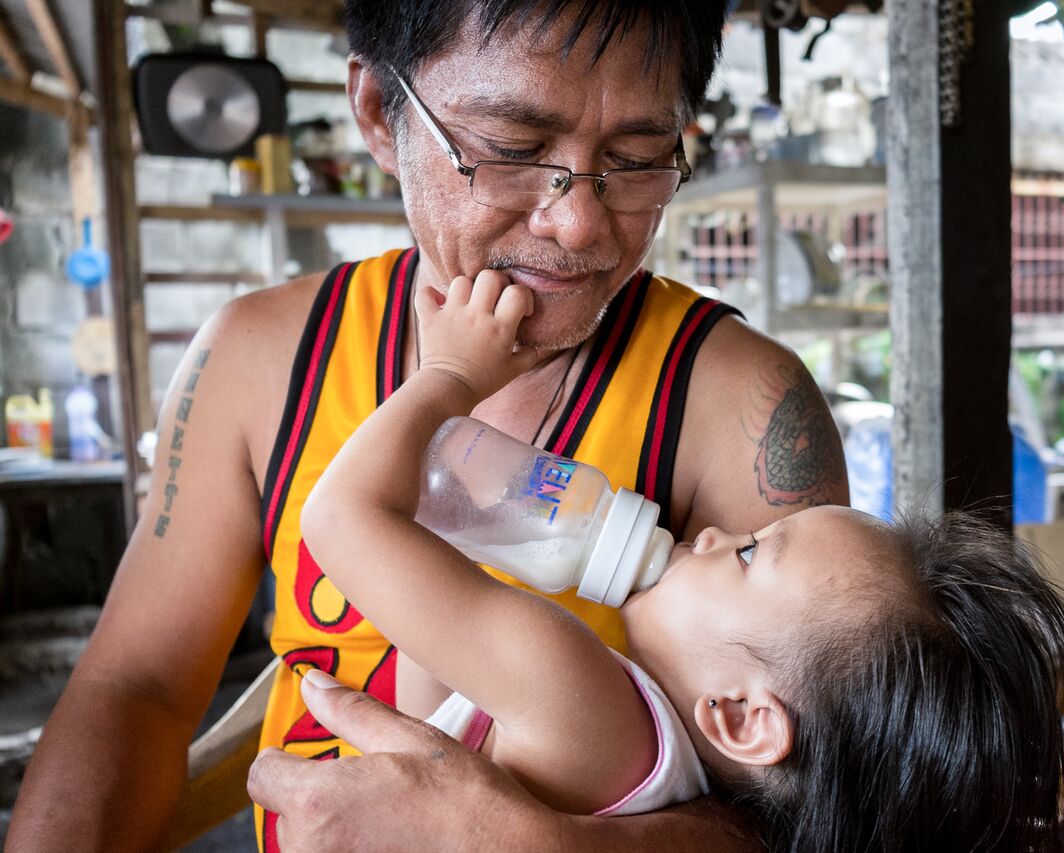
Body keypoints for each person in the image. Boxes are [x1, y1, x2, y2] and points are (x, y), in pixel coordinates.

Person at [8, 2, 849, 850]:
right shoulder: (261, 357)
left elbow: (818, 808)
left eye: (634, 160)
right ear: (379, 111)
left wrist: (532, 841)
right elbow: (138, 687)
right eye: (513, 150)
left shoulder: (739, 402)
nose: (579, 222)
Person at [294, 271, 1064, 851]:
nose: (705, 535)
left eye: (745, 553)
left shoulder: (579, 697)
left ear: (740, 717)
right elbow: (425, 658)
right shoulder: (663, 772)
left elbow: (336, 518)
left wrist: (451, 374)